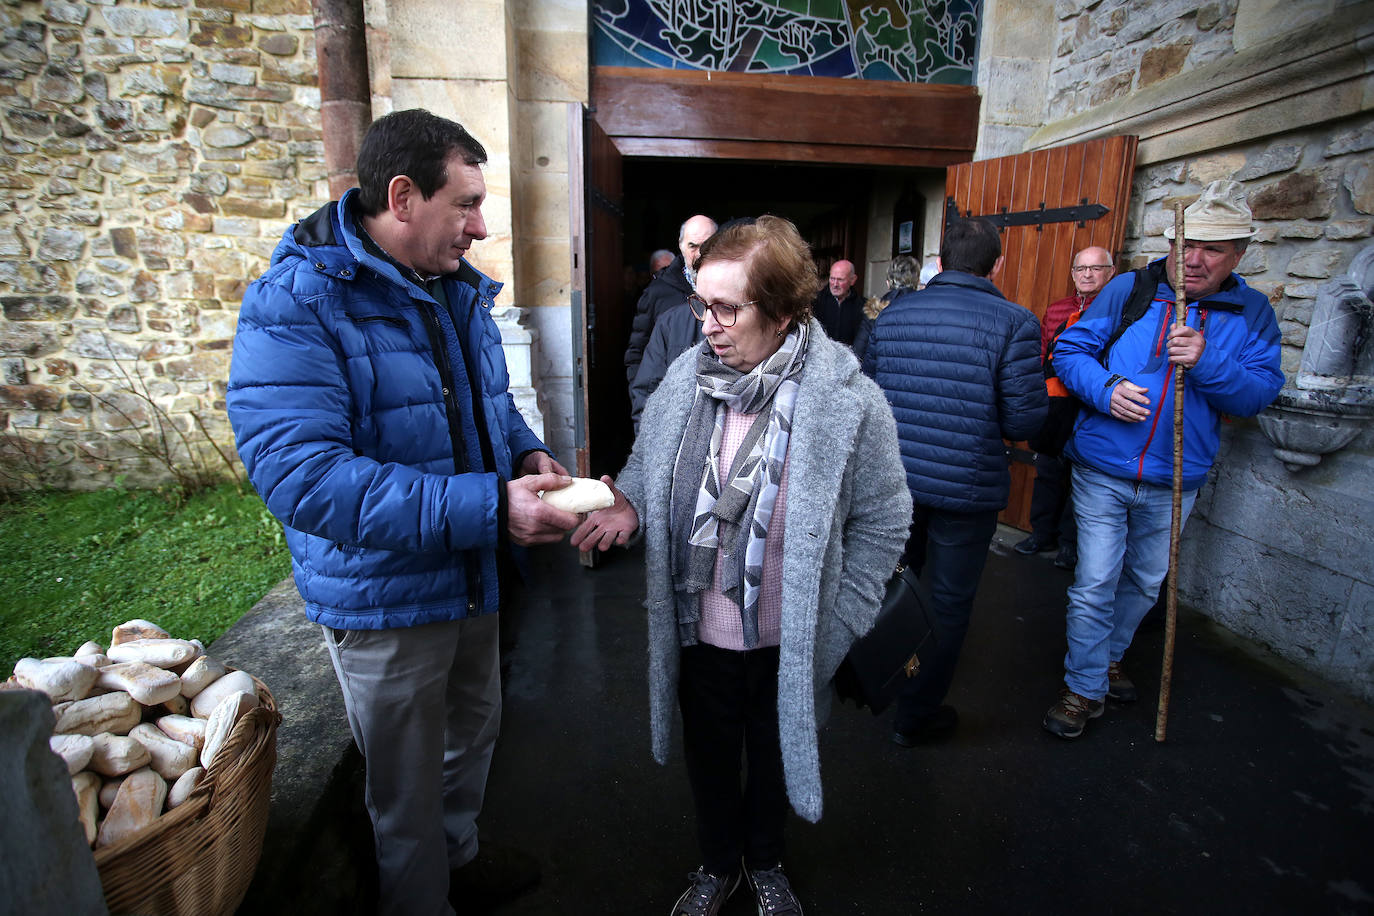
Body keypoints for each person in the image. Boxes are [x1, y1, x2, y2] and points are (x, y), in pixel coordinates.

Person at [225, 108, 580, 915]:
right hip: (384, 599)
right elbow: (301, 477)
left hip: (470, 577)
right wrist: (489, 506)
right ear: (402, 195)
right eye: (466, 204)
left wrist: (523, 453)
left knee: (470, 741)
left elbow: (490, 405)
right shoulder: (298, 303)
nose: (482, 226)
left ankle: (460, 861)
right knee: (405, 787)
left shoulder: (453, 289)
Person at [573, 216, 911, 916]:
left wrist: (842, 620)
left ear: (786, 310)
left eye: (728, 308)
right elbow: (646, 466)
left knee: (778, 751)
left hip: (793, 636)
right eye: (702, 303)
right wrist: (630, 503)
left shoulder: (849, 403)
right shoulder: (684, 383)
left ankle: (765, 863)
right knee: (712, 755)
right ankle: (717, 864)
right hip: (702, 628)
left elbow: (884, 518)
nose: (709, 325)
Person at [1042, 179, 1283, 739]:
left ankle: (1107, 659)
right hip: (1103, 468)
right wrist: (1105, 390)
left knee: (1145, 583)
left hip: (1178, 478)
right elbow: (1071, 351)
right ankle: (1082, 687)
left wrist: (1207, 360)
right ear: (1172, 243)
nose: (1194, 259)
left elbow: (1254, 395)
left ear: (1238, 255)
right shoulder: (1129, 290)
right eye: (1187, 243)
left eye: (1213, 249)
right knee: (1096, 579)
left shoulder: (1252, 313)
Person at [862, 217, 1047, 746]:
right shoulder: (1015, 322)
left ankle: (884, 675)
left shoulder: (894, 315)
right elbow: (1023, 422)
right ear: (998, 264)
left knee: (895, 582)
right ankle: (916, 715)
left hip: (896, 483)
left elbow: (868, 402)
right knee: (947, 599)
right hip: (964, 491)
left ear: (939, 262)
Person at [1014, 245, 1116, 570]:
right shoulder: (1058, 309)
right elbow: (1042, 353)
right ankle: (1041, 533)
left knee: (1081, 476)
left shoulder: (1117, 312)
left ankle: (1070, 545)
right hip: (1055, 402)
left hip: (1090, 407)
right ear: (1073, 274)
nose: (1087, 274)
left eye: (1096, 268)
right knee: (1047, 470)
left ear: (1110, 273)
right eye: (1081, 268)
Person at [625, 214, 718, 385]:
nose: (699, 253)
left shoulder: (733, 291)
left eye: (707, 245)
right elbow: (637, 355)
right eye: (692, 246)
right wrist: (644, 406)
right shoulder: (657, 293)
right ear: (681, 247)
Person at [852, 255, 920, 363]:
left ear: (888, 283)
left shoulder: (874, 310)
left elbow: (858, 352)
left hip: (880, 374)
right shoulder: (923, 310)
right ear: (917, 281)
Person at [813, 258, 862, 346]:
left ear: (853, 280)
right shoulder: (816, 301)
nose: (835, 284)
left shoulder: (862, 306)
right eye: (832, 279)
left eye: (840, 280)